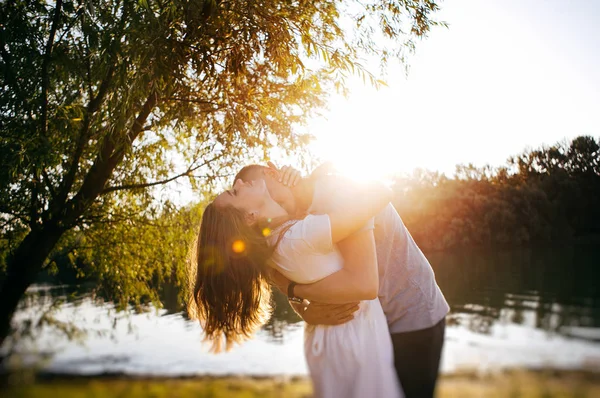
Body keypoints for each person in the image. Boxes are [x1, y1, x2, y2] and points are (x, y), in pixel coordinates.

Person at [234, 162, 450, 398]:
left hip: (409, 312)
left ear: (273, 174)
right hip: (370, 321)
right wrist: (301, 306)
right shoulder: (291, 218)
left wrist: (296, 289)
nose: (272, 209)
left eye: (269, 194)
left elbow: (360, 284)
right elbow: (280, 270)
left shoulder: (336, 192)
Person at [189, 174, 403, 397]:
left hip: (332, 337)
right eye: (234, 192)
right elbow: (382, 192)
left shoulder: (275, 243)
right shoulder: (301, 236)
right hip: (354, 339)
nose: (239, 182)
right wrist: (327, 176)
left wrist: (299, 185)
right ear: (251, 216)